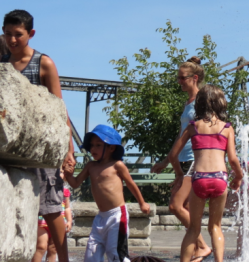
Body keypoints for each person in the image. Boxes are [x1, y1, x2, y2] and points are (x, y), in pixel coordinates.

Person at [2, 9, 75, 262]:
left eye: (18, 35)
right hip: (9, 148)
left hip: (39, 146)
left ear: (30, 34)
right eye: (7, 34)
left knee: (51, 207)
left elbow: (59, 108)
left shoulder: (43, 63)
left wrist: (69, 150)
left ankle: (64, 258)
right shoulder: (1, 63)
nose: (12, 40)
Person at [168, 84, 243, 262]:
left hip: (199, 178)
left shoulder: (193, 127)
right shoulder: (227, 128)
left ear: (200, 104)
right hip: (220, 178)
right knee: (215, 226)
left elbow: (172, 155)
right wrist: (238, 177)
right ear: (220, 104)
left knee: (194, 228)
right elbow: (233, 159)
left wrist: (179, 175)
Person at [150, 56, 213, 259]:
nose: (179, 81)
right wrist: (166, 161)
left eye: (182, 78)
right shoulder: (188, 103)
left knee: (175, 206)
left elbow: (209, 130)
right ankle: (195, 248)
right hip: (184, 158)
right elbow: (180, 136)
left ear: (194, 78)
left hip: (195, 159)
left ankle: (202, 245)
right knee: (185, 207)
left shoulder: (203, 102)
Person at [64, 125, 150, 262]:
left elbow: (131, 184)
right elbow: (75, 183)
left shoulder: (117, 165)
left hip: (117, 215)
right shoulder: (91, 166)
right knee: (91, 253)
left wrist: (142, 203)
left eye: (98, 145)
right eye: (91, 145)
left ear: (111, 148)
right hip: (101, 217)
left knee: (115, 252)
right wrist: (68, 174)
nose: (93, 149)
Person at [33, 183, 72, 262]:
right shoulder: (42, 188)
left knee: (53, 249)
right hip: (41, 223)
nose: (60, 175)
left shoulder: (65, 191)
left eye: (62, 173)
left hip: (58, 225)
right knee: (41, 246)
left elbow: (67, 208)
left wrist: (69, 221)